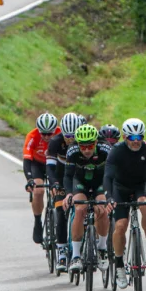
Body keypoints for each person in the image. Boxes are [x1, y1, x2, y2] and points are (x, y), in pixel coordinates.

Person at [104, 118, 146, 289]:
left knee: (145, 204)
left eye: (139, 136)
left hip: (141, 186)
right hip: (120, 188)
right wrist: (109, 197)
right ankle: (119, 266)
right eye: (132, 138)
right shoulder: (117, 151)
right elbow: (108, 176)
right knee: (121, 226)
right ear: (124, 137)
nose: (136, 141)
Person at [63, 124, 112, 272]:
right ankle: (76, 256)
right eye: (82, 147)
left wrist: (111, 195)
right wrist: (68, 194)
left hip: (100, 182)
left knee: (102, 208)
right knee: (80, 209)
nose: (86, 150)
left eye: (90, 146)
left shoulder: (106, 149)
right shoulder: (72, 150)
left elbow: (113, 173)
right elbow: (68, 175)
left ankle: (102, 248)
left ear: (96, 142)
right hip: (80, 182)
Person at [45, 112, 86, 271]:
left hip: (78, 179)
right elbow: (50, 167)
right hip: (61, 179)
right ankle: (62, 251)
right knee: (60, 211)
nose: (70, 139)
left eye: (73, 135)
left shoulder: (83, 142)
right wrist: (54, 183)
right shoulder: (55, 142)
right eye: (67, 135)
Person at [23, 112, 59, 244]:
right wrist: (29, 180)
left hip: (54, 164)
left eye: (50, 133)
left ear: (55, 130)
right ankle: (38, 221)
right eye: (43, 133)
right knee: (38, 191)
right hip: (37, 164)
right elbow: (26, 161)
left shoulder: (61, 135)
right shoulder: (32, 136)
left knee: (58, 189)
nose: (46, 137)